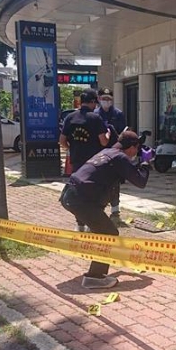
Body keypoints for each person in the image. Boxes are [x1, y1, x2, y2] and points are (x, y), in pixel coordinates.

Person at [60, 131, 155, 289]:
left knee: (102, 233)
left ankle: (97, 271)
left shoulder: (107, 152)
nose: (136, 152)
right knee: (109, 235)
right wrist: (146, 162)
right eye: (137, 149)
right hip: (81, 200)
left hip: (70, 194)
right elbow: (140, 181)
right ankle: (94, 277)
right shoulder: (120, 157)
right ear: (131, 147)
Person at [60, 88, 110, 231]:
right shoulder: (95, 118)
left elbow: (62, 140)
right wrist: (108, 133)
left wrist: (72, 148)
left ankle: (79, 224)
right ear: (93, 102)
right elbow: (104, 142)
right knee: (94, 193)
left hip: (77, 162)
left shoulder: (70, 117)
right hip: (94, 164)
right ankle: (91, 223)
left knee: (78, 193)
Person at [94, 87, 128, 226]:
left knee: (114, 183)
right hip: (98, 154)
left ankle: (115, 212)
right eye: (104, 98)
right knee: (99, 183)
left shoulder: (118, 114)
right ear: (99, 99)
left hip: (114, 154)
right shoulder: (95, 114)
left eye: (109, 99)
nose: (106, 101)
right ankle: (98, 211)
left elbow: (123, 133)